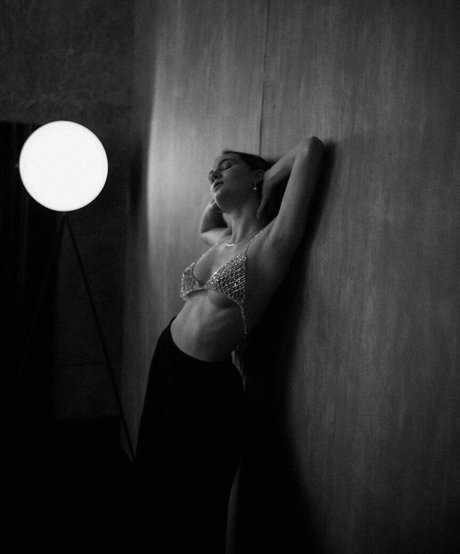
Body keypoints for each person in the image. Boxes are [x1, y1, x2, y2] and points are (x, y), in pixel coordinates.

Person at [134, 138, 324, 553]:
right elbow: (205, 223)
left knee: (197, 497)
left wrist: (267, 179)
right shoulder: (221, 241)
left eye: (226, 165)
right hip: (167, 360)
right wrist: (229, 187)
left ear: (256, 175)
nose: (214, 173)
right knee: (155, 474)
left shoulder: (273, 241)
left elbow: (309, 150)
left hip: (205, 384)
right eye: (212, 171)